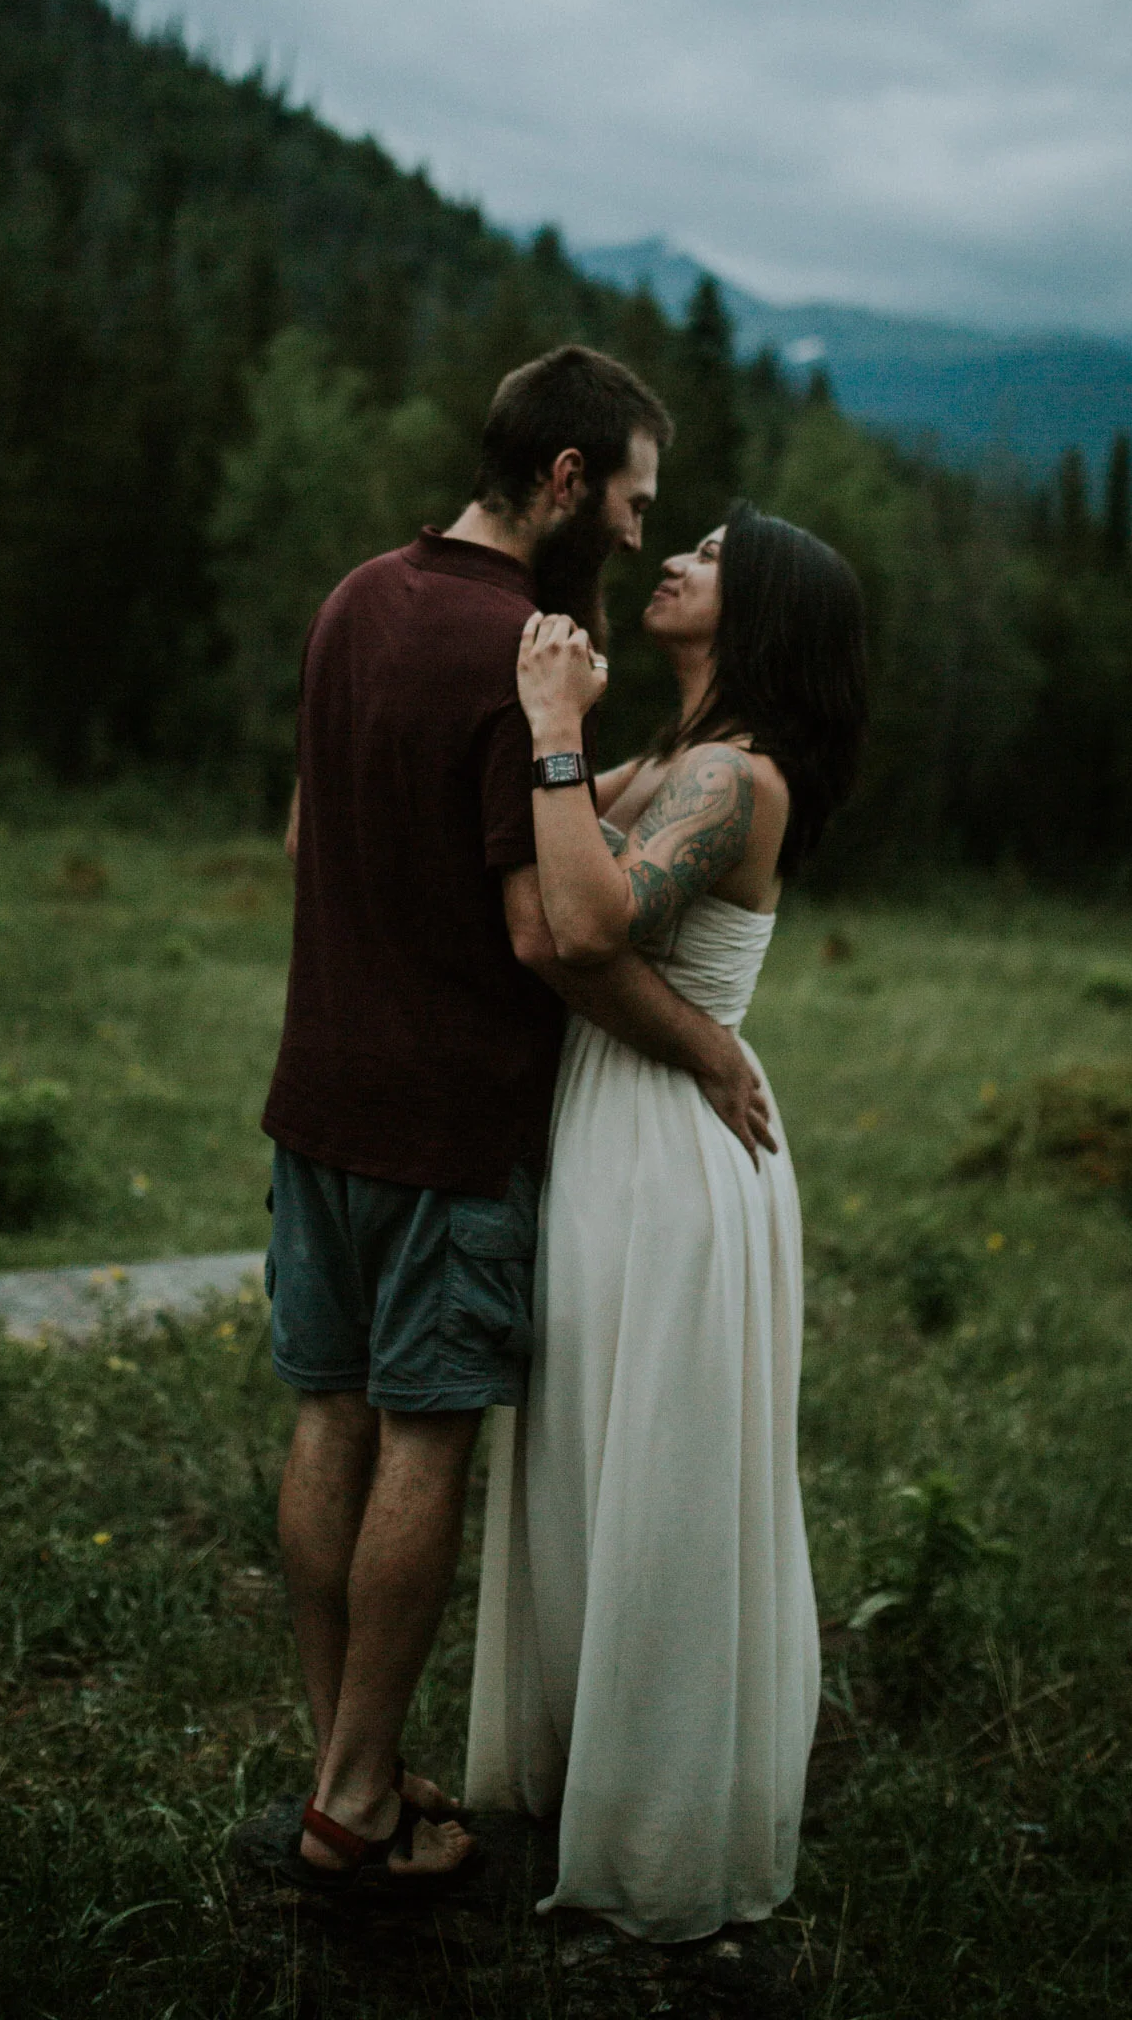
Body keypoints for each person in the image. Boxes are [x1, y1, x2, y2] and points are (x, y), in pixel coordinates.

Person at [253, 348, 778, 1892]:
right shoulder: (524, 649)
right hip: (449, 1123)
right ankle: (359, 1797)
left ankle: (341, 1771)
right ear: (565, 480)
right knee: (424, 1435)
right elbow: (553, 934)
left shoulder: (356, 597)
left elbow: (305, 833)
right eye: (633, 500)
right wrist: (704, 1050)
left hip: (316, 1093)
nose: (637, 530)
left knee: (327, 1413)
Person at [465, 502, 867, 1940]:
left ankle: (658, 1836)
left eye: (711, 558)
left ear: (758, 616)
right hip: (620, 1122)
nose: (679, 562)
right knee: (594, 1457)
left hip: (674, 1160)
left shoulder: (733, 779)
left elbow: (588, 922)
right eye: (682, 540)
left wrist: (552, 726)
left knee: (662, 1484)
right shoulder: (680, 757)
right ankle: (595, 1784)